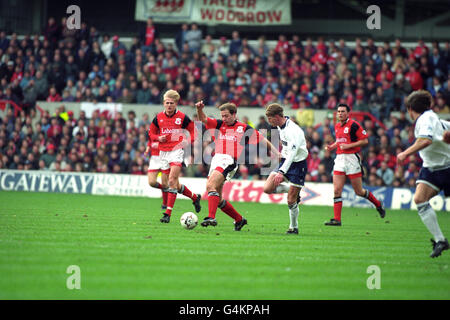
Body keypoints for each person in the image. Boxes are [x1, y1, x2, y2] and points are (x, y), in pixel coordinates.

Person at [195, 100, 278, 231]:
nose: (224, 118)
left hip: (229, 160)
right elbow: (203, 118)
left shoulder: (244, 128)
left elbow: (263, 139)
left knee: (210, 186)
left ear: (234, 115)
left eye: (226, 116)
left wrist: (277, 153)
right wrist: (199, 109)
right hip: (216, 159)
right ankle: (239, 220)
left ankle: (211, 217)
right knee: (218, 199)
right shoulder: (218, 124)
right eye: (222, 116)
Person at [397, 90, 450, 258]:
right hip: (431, 168)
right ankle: (441, 241)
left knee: (420, 200)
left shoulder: (425, 118)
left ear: (410, 108)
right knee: (420, 199)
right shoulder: (434, 118)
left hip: (447, 167)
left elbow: (425, 140)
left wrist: (405, 153)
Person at [324, 103, 385, 226]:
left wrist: (349, 146)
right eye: (338, 111)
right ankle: (337, 219)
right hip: (340, 158)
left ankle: (378, 204)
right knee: (336, 190)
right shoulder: (336, 126)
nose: (340, 113)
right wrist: (332, 146)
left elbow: (365, 141)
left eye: (342, 111)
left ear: (347, 113)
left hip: (352, 159)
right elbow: (340, 140)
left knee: (359, 191)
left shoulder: (354, 125)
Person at [149, 90, 201, 223]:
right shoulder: (158, 117)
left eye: (172, 103)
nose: (169, 105)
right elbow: (151, 133)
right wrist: (157, 138)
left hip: (177, 151)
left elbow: (193, 131)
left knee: (172, 180)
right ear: (163, 103)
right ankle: (195, 198)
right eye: (167, 103)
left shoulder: (182, 117)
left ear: (176, 103)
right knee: (169, 184)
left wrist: (188, 141)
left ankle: (167, 214)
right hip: (163, 152)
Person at [263, 103, 308, 235]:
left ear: (277, 116)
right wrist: (280, 154)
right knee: (267, 188)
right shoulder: (279, 125)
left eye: (270, 118)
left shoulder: (293, 131)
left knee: (290, 200)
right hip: (286, 160)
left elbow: (293, 153)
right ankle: (294, 191)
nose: (268, 121)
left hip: (297, 164)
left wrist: (281, 172)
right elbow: (287, 148)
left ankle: (293, 227)